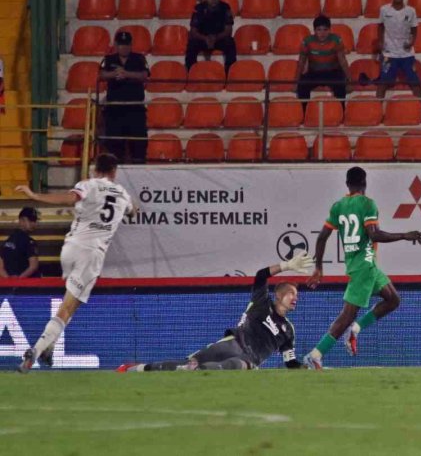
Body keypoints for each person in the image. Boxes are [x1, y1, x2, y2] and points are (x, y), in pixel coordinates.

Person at [15, 154, 138, 373]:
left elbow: (69, 198)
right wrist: (130, 210)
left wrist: (35, 196)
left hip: (70, 249)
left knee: (72, 303)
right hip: (91, 255)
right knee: (68, 307)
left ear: (95, 169)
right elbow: (133, 210)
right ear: (114, 172)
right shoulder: (122, 194)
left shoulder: (88, 185)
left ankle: (49, 346)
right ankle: (36, 350)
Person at [302, 167, 421, 370]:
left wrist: (319, 267)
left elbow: (322, 236)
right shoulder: (368, 204)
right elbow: (374, 235)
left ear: (347, 184)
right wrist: (405, 235)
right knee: (347, 314)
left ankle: (356, 328)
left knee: (393, 299)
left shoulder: (338, 206)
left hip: (367, 265)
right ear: (365, 183)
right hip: (363, 267)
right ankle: (314, 355)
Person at [118, 253, 314, 372]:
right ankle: (136, 369)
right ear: (278, 295)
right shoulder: (262, 301)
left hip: (249, 360)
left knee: (236, 368)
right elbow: (261, 275)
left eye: (297, 295)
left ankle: (200, 371)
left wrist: (307, 367)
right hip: (234, 343)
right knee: (187, 365)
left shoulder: (288, 330)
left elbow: (290, 363)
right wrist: (287, 266)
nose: (295, 297)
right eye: (291, 293)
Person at [99, 31, 150, 164]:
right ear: (116, 45)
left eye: (127, 45)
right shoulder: (109, 59)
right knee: (114, 146)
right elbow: (102, 75)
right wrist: (115, 74)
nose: (124, 47)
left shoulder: (139, 58)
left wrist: (126, 74)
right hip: (115, 111)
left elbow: (145, 75)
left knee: (139, 146)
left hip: (135, 110)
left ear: (131, 45)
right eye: (121, 45)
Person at [376, 0, 421, 100]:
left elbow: (414, 28)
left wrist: (412, 42)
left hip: (407, 54)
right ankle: (376, 109)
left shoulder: (411, 11)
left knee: (416, 82)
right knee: (382, 83)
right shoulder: (384, 10)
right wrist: (381, 42)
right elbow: (380, 26)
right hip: (389, 54)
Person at [296, 15, 351, 108]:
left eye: (325, 29)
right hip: (314, 73)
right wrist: (296, 81)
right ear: (314, 31)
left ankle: (341, 112)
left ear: (330, 30)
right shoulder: (307, 41)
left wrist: (350, 80)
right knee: (302, 85)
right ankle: (304, 113)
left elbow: (343, 61)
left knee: (340, 86)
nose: (322, 33)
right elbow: (301, 62)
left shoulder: (336, 40)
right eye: (319, 30)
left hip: (333, 73)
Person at [186, 0, 237, 73]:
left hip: (219, 38)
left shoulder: (225, 7)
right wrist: (205, 38)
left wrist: (215, 38)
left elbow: (228, 31)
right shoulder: (199, 8)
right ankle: (191, 73)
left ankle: (230, 73)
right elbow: (193, 31)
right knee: (192, 44)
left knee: (230, 42)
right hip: (202, 38)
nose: (213, 0)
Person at [0, 207, 40, 279]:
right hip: (27, 286)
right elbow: (33, 266)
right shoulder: (30, 242)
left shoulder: (7, 241)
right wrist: (18, 281)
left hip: (9, 286)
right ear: (21, 220)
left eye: (35, 221)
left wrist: (10, 282)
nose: (34, 224)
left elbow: (0, 268)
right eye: (31, 220)